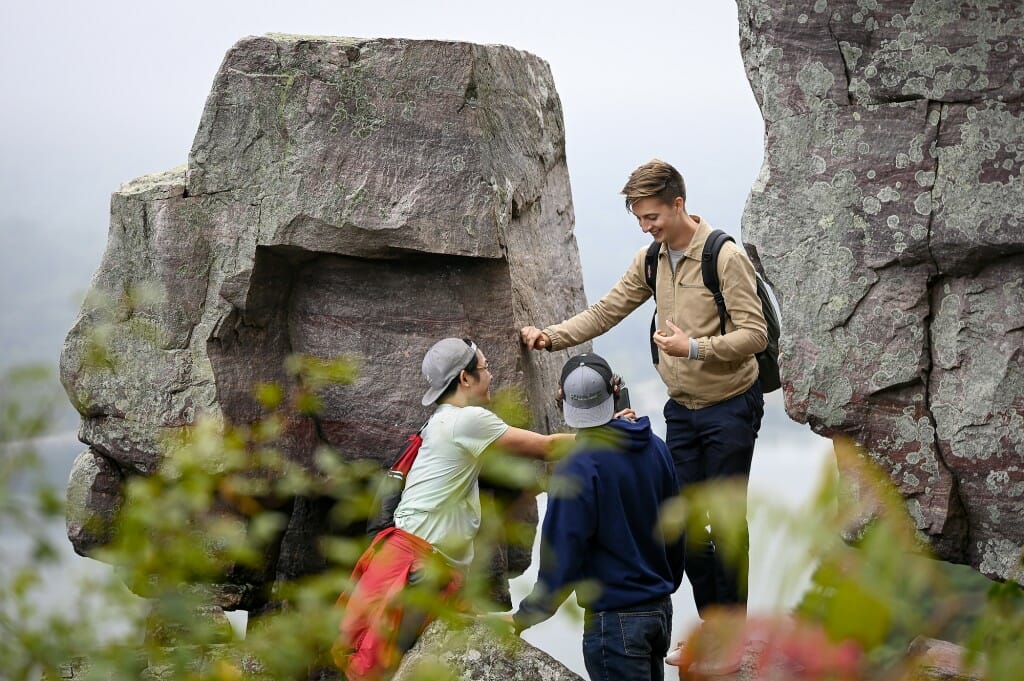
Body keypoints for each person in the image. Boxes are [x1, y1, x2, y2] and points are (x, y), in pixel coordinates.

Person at [520, 159, 767, 638]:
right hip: (683, 409)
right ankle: (712, 629)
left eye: (652, 215)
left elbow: (755, 335)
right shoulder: (651, 258)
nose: (646, 226)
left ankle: (732, 640)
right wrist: (550, 337)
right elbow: (607, 309)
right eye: (638, 218)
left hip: (730, 405)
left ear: (679, 204)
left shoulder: (724, 256)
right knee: (682, 523)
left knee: (726, 522)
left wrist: (692, 348)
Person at [334, 337, 573, 680]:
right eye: (486, 368)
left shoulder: (439, 421)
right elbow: (549, 448)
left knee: (369, 658)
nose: (491, 375)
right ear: (465, 378)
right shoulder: (468, 420)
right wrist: (611, 434)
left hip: (407, 554)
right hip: (418, 565)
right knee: (375, 666)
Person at [508, 352, 683, 681]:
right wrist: (666, 582)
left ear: (563, 401)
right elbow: (675, 526)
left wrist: (526, 616)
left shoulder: (578, 468)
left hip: (614, 624)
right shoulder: (657, 448)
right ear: (615, 394)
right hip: (658, 611)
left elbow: (562, 554)